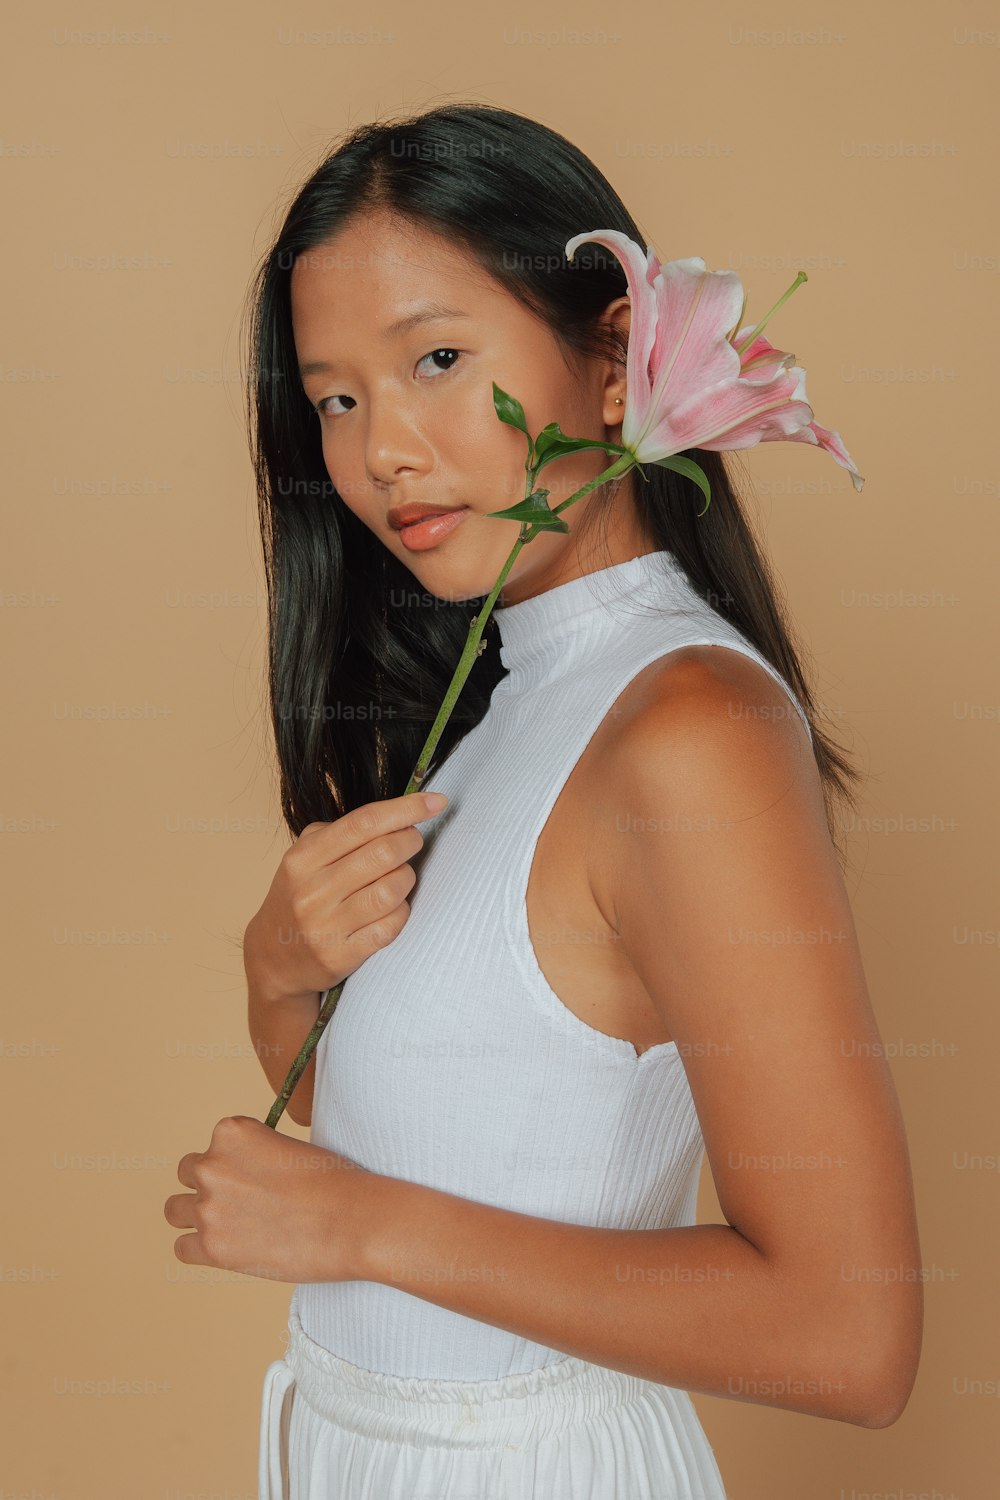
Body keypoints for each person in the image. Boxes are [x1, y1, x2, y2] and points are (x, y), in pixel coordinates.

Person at [165, 102, 923, 1499]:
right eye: (337, 398)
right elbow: (455, 1130)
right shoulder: (507, 702)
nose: (383, 449)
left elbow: (849, 1331)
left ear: (618, 365)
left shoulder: (688, 729)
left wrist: (366, 1232)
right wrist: (278, 976)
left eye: (438, 359)